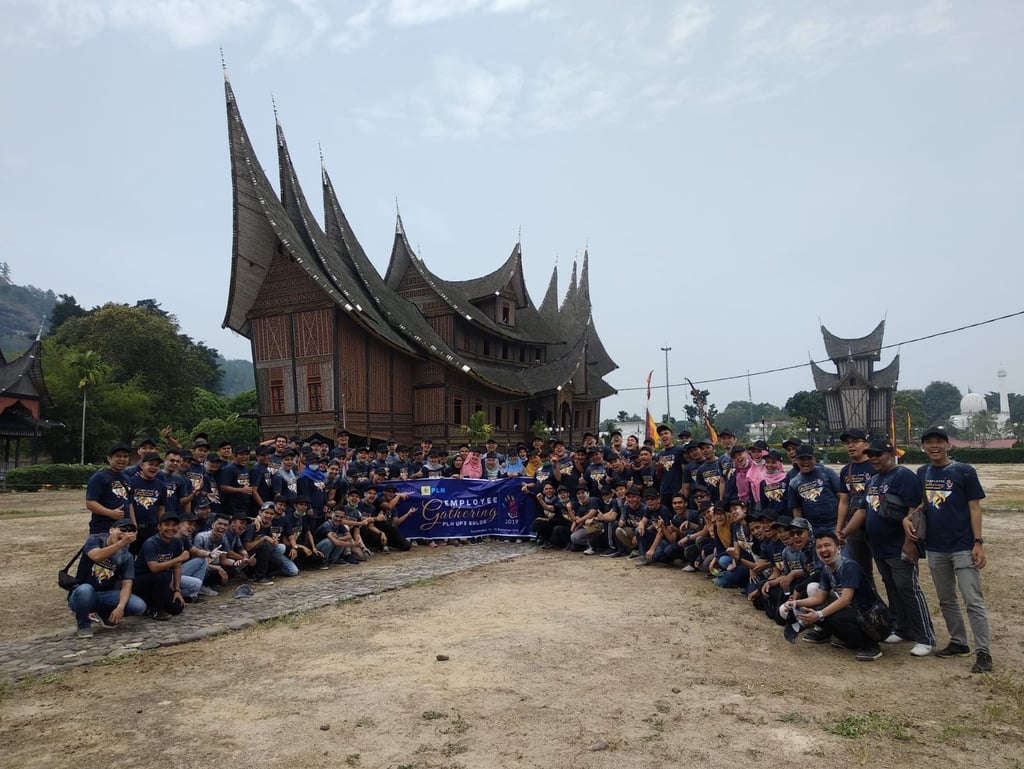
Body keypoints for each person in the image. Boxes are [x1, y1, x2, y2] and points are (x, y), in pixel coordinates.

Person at [906, 426, 993, 673]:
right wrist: (908, 518)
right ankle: (958, 641)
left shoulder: (964, 471)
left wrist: (978, 542)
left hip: (963, 546)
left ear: (948, 445)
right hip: (935, 546)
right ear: (922, 447)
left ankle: (983, 652)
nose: (934, 446)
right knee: (946, 599)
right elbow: (924, 502)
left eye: (939, 442)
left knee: (973, 600)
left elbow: (974, 507)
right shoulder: (923, 472)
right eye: (928, 442)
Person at [846, 438, 935, 656]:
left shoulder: (903, 476)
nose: (874, 458)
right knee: (892, 587)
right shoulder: (873, 480)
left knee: (908, 589)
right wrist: (843, 532)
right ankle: (903, 629)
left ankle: (925, 637)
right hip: (879, 546)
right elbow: (863, 511)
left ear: (891, 454)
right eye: (871, 455)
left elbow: (914, 511)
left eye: (879, 454)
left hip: (899, 546)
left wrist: (909, 543)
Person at [786, 531, 884, 662]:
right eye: (819, 547)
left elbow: (846, 599)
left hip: (876, 619)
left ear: (838, 548)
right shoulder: (827, 570)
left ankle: (871, 646)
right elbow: (819, 598)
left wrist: (819, 614)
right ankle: (851, 640)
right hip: (856, 615)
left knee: (830, 615)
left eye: (827, 545)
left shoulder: (849, 566)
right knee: (816, 612)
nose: (823, 550)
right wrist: (796, 604)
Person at [68, 518, 148, 638]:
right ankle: (83, 624)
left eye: (130, 531)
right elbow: (97, 556)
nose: (125, 534)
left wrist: (120, 607)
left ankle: (104, 614)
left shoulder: (127, 556)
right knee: (85, 590)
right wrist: (121, 544)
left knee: (139, 606)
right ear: (111, 530)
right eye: (122, 529)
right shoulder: (95, 540)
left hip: (105, 594)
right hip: (82, 593)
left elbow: (127, 584)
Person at [132, 512, 188, 621]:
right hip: (141, 582)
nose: (170, 528)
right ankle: (156, 610)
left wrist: (177, 590)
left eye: (174, 525)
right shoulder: (151, 543)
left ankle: (150, 606)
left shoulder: (176, 543)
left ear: (178, 526)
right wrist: (178, 558)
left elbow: (177, 567)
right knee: (162, 575)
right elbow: (154, 568)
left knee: (177, 608)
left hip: (160, 584)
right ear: (159, 526)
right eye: (166, 525)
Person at [836, 429, 875, 580]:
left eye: (855, 442)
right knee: (862, 570)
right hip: (854, 527)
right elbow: (844, 501)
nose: (851, 446)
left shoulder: (874, 465)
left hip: (874, 523)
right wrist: (839, 528)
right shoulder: (846, 470)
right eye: (848, 443)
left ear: (866, 443)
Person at [85, 443, 131, 535]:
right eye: (118, 456)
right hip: (103, 530)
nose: (122, 459)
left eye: (125, 456)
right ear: (109, 458)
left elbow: (129, 502)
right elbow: (90, 503)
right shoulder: (99, 477)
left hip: (123, 529)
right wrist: (110, 513)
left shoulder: (126, 477)